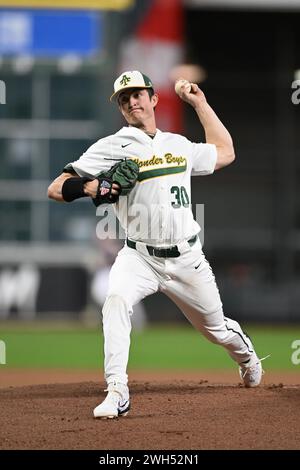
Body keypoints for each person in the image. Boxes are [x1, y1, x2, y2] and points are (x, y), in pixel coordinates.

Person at [48, 70, 264, 419]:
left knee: (217, 330)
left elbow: (225, 153)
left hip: (187, 257)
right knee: (115, 300)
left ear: (153, 98)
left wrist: (199, 103)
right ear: (121, 108)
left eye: (137, 94)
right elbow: (56, 187)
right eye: (124, 98)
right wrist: (93, 188)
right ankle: (117, 389)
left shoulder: (177, 145)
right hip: (139, 256)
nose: (132, 101)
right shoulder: (111, 147)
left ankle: (247, 358)